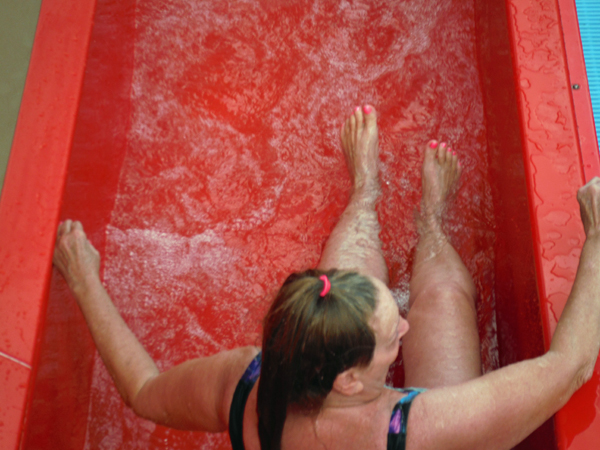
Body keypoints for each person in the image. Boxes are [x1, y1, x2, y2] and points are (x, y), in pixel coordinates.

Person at [53, 105, 600, 450]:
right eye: (393, 336)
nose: (404, 328)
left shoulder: (247, 384)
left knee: (352, 293)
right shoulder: (426, 430)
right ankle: (431, 224)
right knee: (443, 297)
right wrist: (597, 241)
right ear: (349, 381)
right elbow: (569, 366)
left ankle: (365, 193)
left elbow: (145, 391)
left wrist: (85, 282)